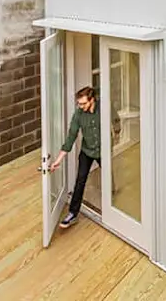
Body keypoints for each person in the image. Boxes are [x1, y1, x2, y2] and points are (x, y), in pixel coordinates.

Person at [48, 86, 120, 228]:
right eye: (79, 104)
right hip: (87, 151)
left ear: (92, 100)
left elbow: (116, 120)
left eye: (83, 103)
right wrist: (58, 160)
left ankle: (111, 196)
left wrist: (117, 133)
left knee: (107, 171)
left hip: (103, 149)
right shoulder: (79, 114)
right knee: (80, 180)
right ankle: (73, 213)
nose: (80, 106)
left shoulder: (105, 107)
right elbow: (71, 137)